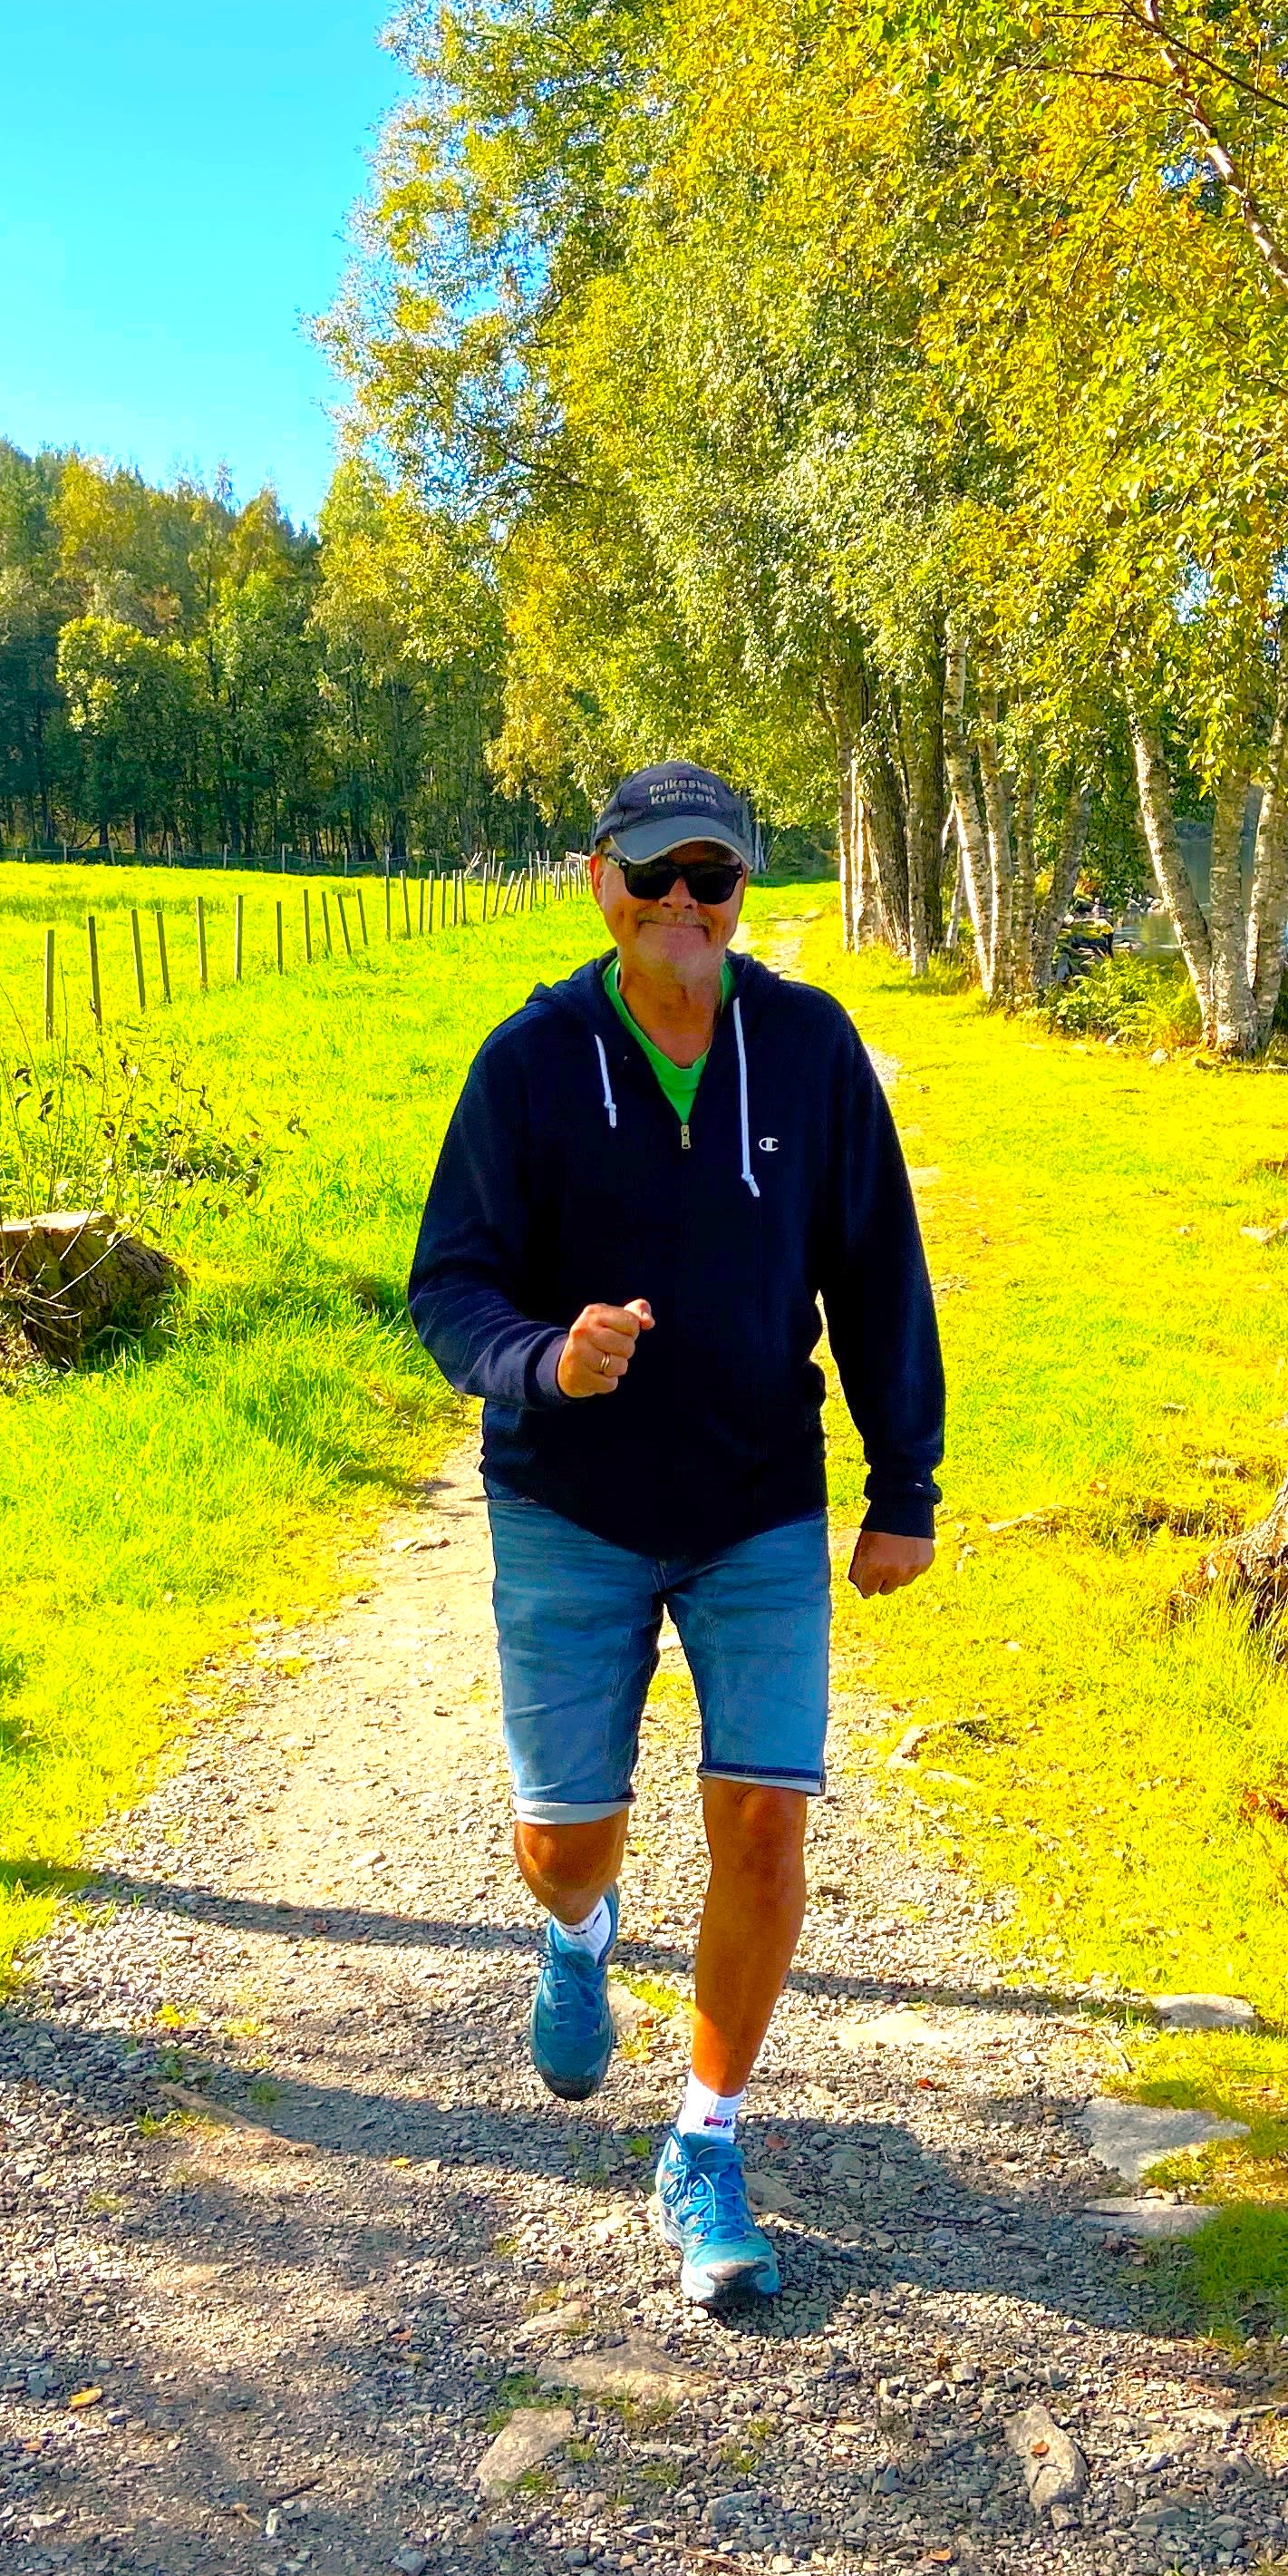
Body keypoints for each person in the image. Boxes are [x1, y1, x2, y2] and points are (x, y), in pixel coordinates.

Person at [408, 760, 945, 2307]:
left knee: (765, 1819)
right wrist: (545, 1360)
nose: (683, 905)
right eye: (654, 875)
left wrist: (901, 1487)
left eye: (712, 879)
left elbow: (878, 1271)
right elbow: (449, 1287)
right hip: (569, 1506)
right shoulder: (529, 1064)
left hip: (755, 1502)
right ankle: (581, 1934)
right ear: (601, 884)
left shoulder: (811, 1048)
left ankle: (706, 2135)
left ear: (741, 894)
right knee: (563, 1843)